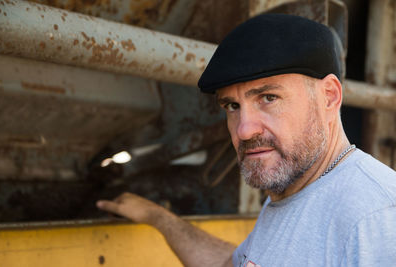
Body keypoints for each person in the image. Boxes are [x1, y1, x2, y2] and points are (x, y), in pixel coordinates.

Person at [96, 14, 396, 267]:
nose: (244, 131)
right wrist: (158, 217)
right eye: (232, 106)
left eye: (268, 97)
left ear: (329, 96)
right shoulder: (294, 192)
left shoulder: (376, 218)